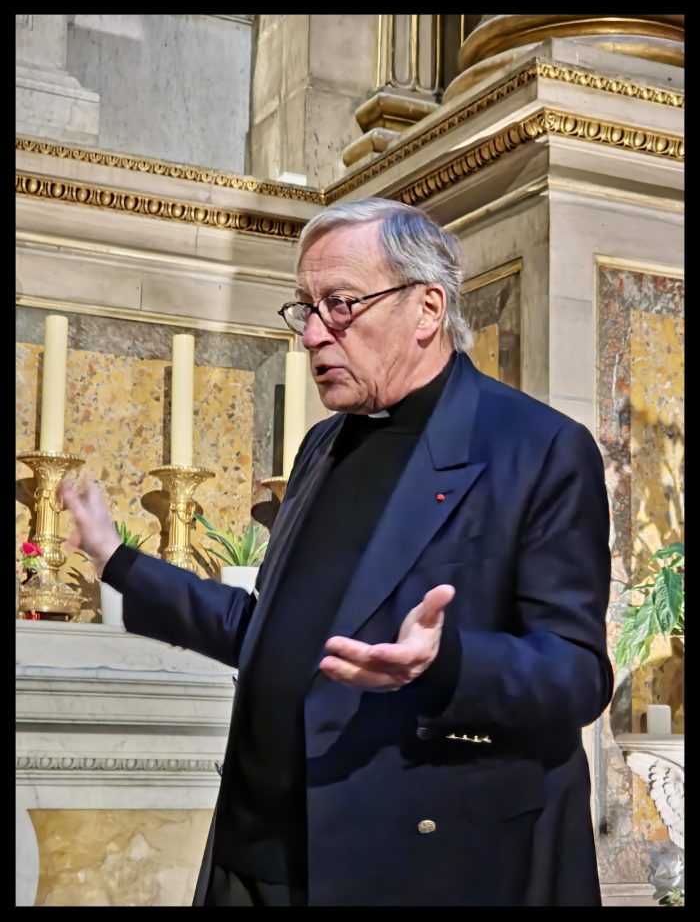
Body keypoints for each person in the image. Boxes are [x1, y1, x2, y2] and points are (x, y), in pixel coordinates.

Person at [59, 197, 613, 907]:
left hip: (410, 863)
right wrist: (118, 561)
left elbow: (577, 675)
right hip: (253, 853)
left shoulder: (536, 449)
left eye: (340, 304)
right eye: (305, 308)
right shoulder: (323, 445)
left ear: (427, 308)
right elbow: (269, 631)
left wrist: (445, 663)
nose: (313, 334)